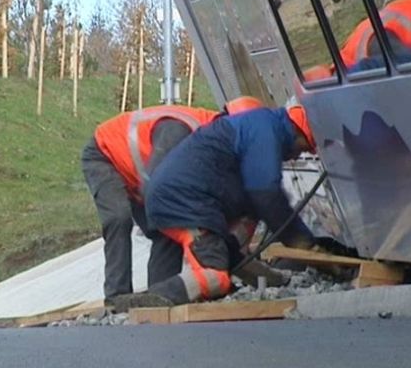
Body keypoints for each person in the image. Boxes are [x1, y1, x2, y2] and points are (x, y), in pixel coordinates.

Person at [112, 104, 317, 311]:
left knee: (223, 254)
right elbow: (266, 195)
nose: (298, 156)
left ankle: (152, 302)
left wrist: (275, 281)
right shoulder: (265, 131)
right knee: (214, 276)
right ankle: (145, 302)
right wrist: (300, 240)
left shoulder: (258, 126)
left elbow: (235, 255)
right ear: (297, 131)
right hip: (182, 202)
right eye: (304, 147)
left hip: (183, 198)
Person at [81, 97, 263, 304]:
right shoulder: (179, 131)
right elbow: (155, 187)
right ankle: (117, 297)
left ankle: (157, 298)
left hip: (142, 174)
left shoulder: (213, 146)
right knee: (119, 218)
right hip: (106, 155)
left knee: (166, 229)